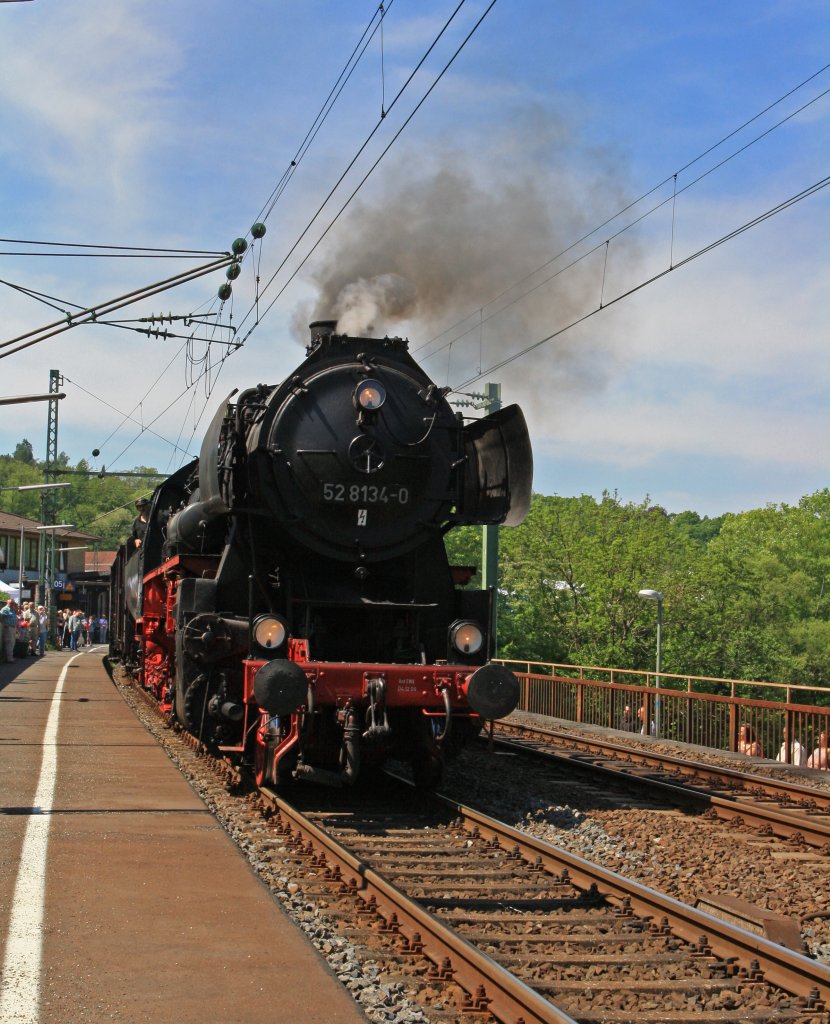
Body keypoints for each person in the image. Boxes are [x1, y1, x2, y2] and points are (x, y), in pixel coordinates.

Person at [1, 597, 18, 663]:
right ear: (7, 603)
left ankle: (10, 657)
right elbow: (1, 617)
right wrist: (4, 624)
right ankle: (9, 658)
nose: (12, 604)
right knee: (9, 643)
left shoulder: (12, 609)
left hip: (13, 627)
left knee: (12, 643)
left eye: (13, 603)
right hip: (8, 628)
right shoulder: (5, 609)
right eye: (11, 603)